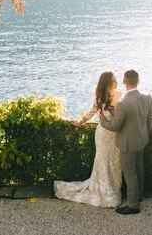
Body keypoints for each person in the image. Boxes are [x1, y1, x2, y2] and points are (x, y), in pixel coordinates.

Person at [53, 71, 123, 207]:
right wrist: (80, 122)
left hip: (116, 134)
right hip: (103, 134)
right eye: (114, 80)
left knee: (115, 162)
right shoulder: (100, 98)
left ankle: (114, 189)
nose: (117, 82)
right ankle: (104, 192)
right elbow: (91, 112)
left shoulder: (121, 95)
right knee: (103, 161)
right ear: (108, 82)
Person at [100, 69, 152, 215]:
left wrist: (103, 121)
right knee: (139, 168)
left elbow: (115, 126)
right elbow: (150, 120)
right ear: (138, 81)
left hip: (128, 144)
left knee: (130, 174)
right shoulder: (147, 96)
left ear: (124, 82)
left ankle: (133, 205)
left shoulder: (123, 103)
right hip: (142, 140)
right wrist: (144, 135)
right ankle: (139, 196)